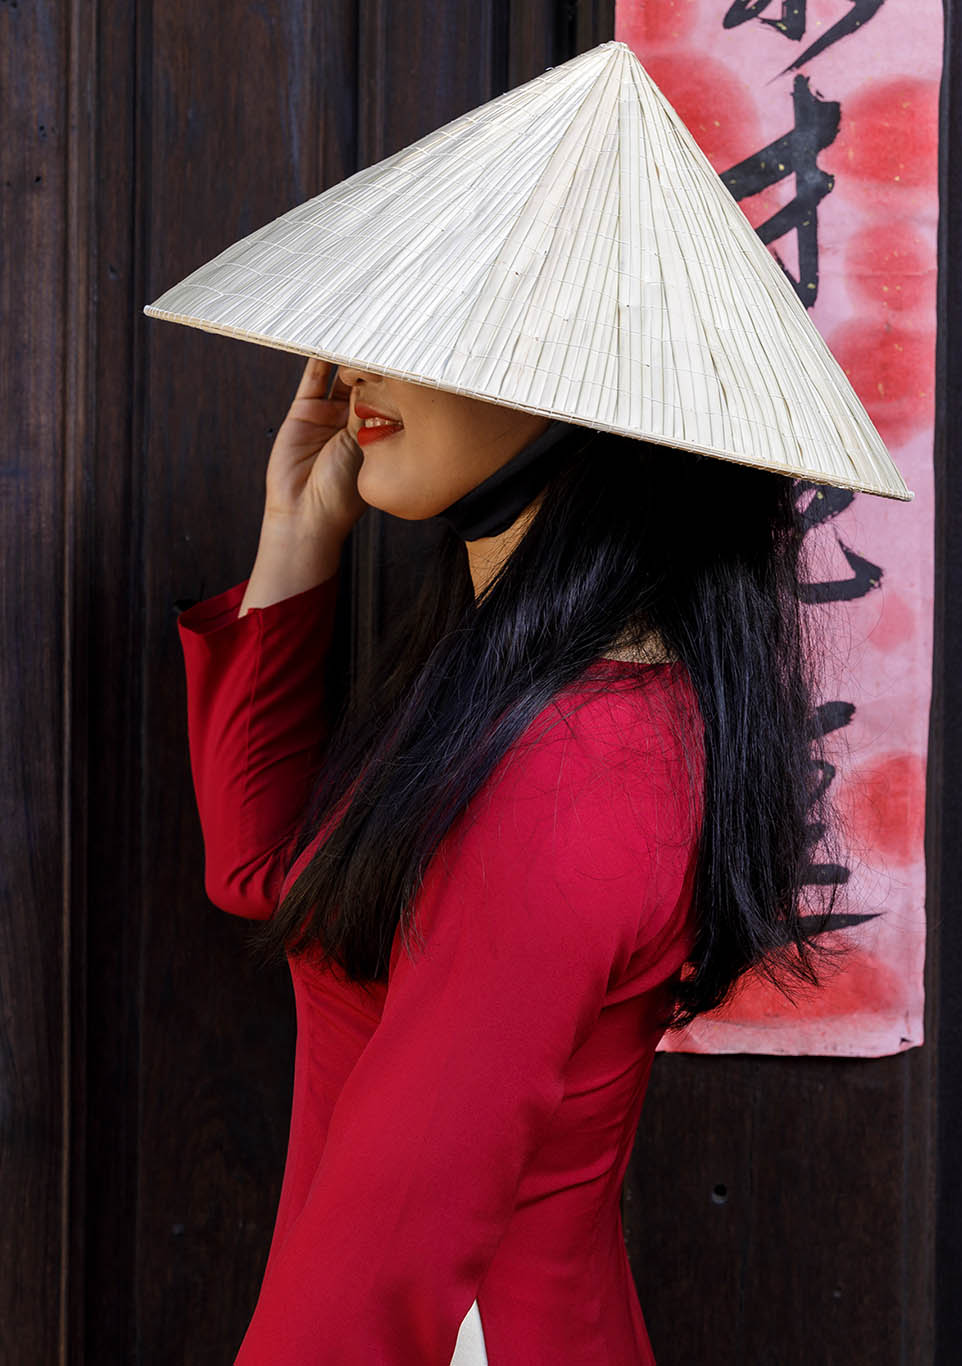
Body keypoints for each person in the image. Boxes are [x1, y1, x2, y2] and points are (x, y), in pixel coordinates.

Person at [178, 356, 848, 1364]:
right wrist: (296, 532)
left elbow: (388, 1250)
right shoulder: (546, 694)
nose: (359, 368)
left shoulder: (561, 767)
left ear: (585, 389)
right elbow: (260, 871)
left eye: (433, 340)